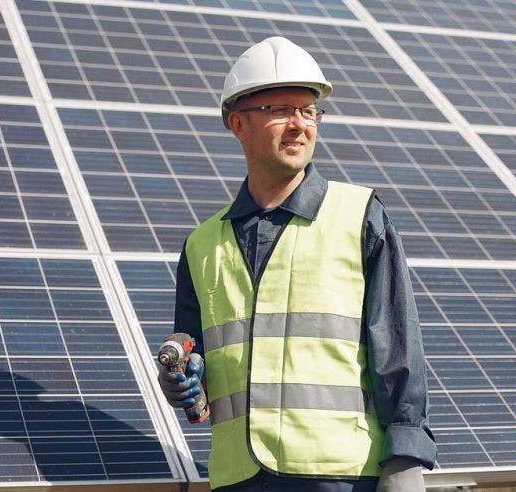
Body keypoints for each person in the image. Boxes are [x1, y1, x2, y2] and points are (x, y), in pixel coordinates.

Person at [158, 36, 436, 491]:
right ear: (238, 124)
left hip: (340, 476)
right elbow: (199, 365)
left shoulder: (360, 216)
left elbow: (398, 349)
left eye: (308, 111)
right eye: (280, 110)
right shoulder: (201, 245)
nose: (299, 125)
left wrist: (405, 462)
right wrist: (185, 382)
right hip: (237, 478)